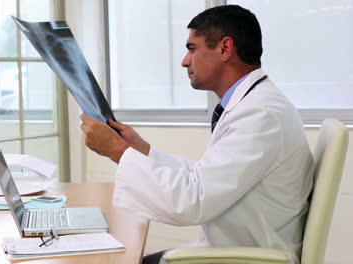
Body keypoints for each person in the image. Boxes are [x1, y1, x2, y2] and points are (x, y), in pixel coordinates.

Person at [80, 5, 313, 264]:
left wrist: (116, 150)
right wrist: (140, 150)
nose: (184, 61)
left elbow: (193, 203)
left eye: (192, 48)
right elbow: (204, 176)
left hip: (250, 257)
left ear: (225, 48)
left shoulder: (261, 114)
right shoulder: (254, 104)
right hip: (239, 249)